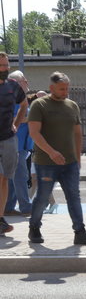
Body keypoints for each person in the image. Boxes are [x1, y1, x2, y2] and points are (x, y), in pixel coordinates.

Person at [26, 72, 86, 245]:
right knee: (42, 197)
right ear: (51, 88)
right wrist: (51, 152)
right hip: (46, 162)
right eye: (61, 89)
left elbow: (77, 133)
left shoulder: (72, 106)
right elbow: (34, 133)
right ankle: (34, 228)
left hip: (70, 162)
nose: (65, 92)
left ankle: (80, 231)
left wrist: (78, 157)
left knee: (74, 196)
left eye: (67, 88)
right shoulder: (39, 105)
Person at [0, 52, 28, 235]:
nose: (5, 68)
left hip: (9, 138)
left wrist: (16, 124)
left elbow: (24, 105)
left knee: (4, 179)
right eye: (1, 65)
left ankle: (0, 217)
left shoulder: (13, 86)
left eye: (6, 64)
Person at [5, 70, 32, 216]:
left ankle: (8, 207)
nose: (27, 82)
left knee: (14, 178)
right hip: (16, 145)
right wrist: (30, 118)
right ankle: (26, 207)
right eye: (23, 80)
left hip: (21, 145)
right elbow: (11, 118)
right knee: (21, 176)